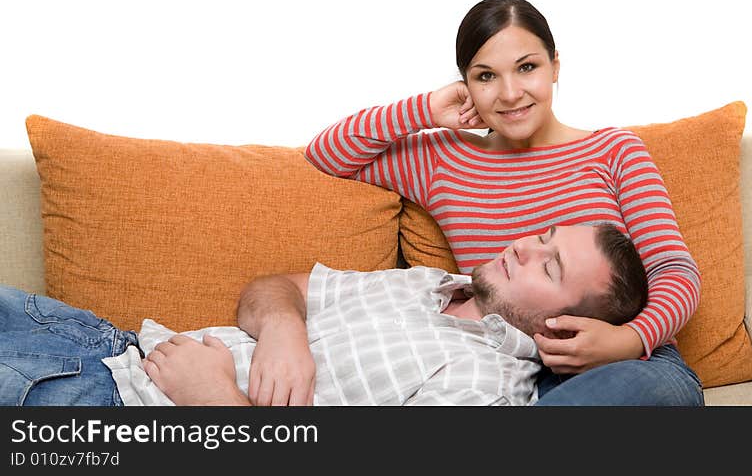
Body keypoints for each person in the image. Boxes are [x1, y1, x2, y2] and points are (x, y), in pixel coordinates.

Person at [303, 0, 704, 406]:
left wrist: (628, 339)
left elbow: (673, 269)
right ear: (465, 85)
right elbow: (326, 154)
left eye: (527, 67)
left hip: (631, 362)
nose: (510, 93)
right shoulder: (446, 160)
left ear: (556, 67)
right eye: (486, 76)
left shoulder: (613, 151)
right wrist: (423, 109)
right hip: (509, 371)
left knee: (655, 394)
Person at [0, 222, 647, 406]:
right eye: (544, 236)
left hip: (112, 405)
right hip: (99, 339)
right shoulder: (430, 281)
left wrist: (215, 400)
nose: (523, 247)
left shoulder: (481, 390)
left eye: (549, 266)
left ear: (565, 327)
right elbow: (272, 286)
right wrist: (284, 326)